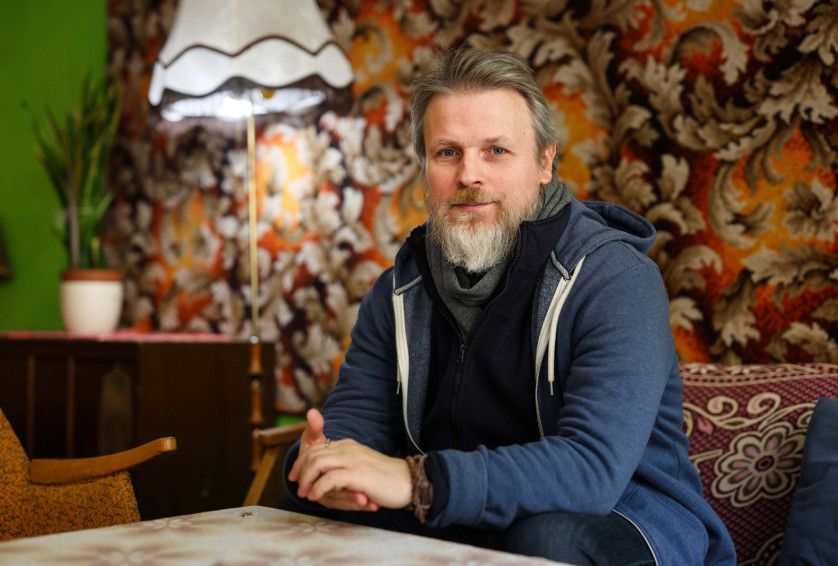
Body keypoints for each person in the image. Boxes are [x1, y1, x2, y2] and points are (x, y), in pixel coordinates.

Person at [281, 46, 736, 566]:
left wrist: (418, 480)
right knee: (302, 517)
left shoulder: (617, 278)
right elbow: (357, 420)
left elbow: (591, 469)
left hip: (627, 519)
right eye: (447, 153)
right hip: (460, 513)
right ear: (425, 168)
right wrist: (323, 464)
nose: (469, 175)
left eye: (496, 150)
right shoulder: (398, 291)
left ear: (544, 162)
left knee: (546, 541)